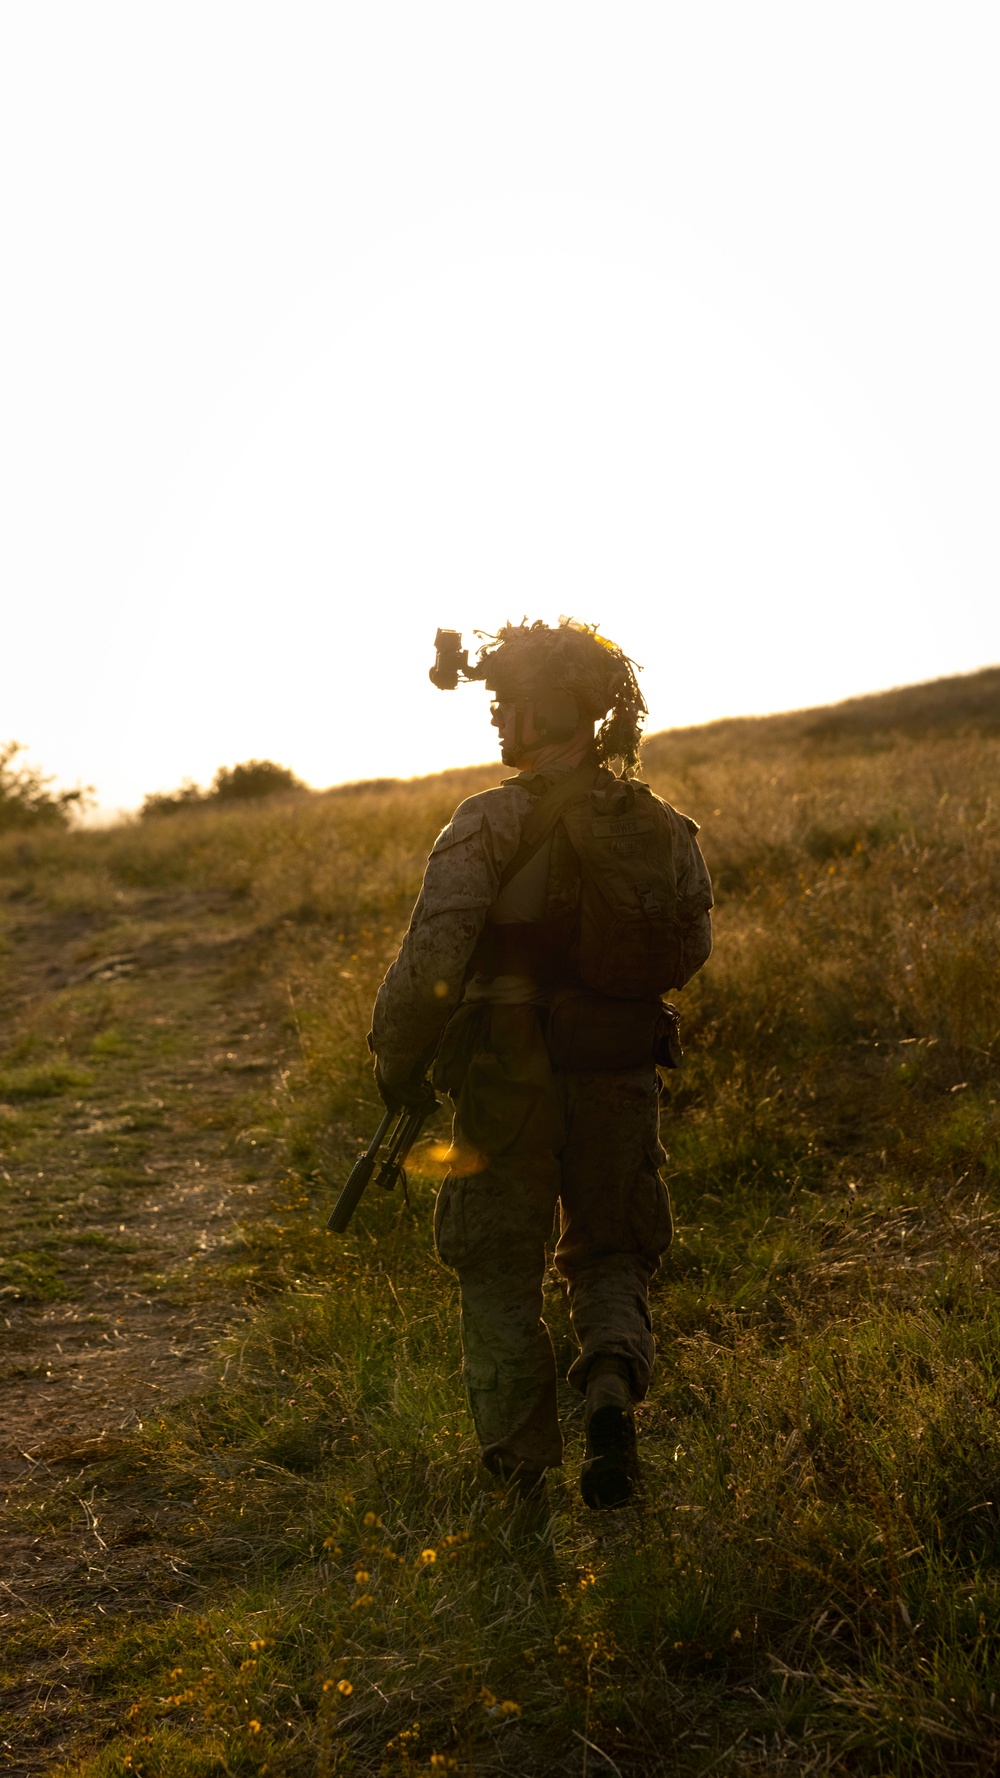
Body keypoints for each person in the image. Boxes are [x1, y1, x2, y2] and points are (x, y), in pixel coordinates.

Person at [370, 620, 713, 1507]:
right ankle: (607, 1389)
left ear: (550, 710)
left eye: (507, 703)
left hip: (506, 1077)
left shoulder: (489, 820)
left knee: (495, 1266)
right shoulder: (665, 827)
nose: (494, 720)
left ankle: (522, 1478)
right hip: (620, 1068)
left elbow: (433, 960)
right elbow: (691, 947)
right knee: (611, 1253)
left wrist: (395, 1058)